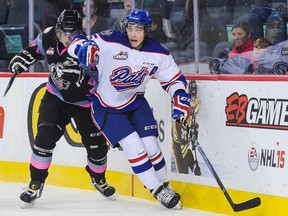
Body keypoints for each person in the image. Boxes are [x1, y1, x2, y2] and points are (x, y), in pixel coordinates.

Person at [68, 9, 191, 209]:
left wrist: (180, 97)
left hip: (136, 103)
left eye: (139, 29)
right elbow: (77, 43)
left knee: (152, 147)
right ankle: (157, 191)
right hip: (106, 107)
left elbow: (174, 79)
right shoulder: (111, 40)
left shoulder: (158, 52)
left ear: (147, 30)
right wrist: (83, 47)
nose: (133, 33)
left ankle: (165, 184)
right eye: (130, 28)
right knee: (133, 146)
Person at [8, 9, 115, 208]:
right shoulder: (49, 35)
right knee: (43, 139)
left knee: (98, 149)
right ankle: (35, 183)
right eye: (64, 34)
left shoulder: (89, 47)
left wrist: (84, 76)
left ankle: (98, 178)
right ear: (57, 30)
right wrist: (23, 58)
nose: (67, 39)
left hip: (86, 103)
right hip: (56, 97)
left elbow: (101, 78)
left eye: (72, 34)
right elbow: (35, 50)